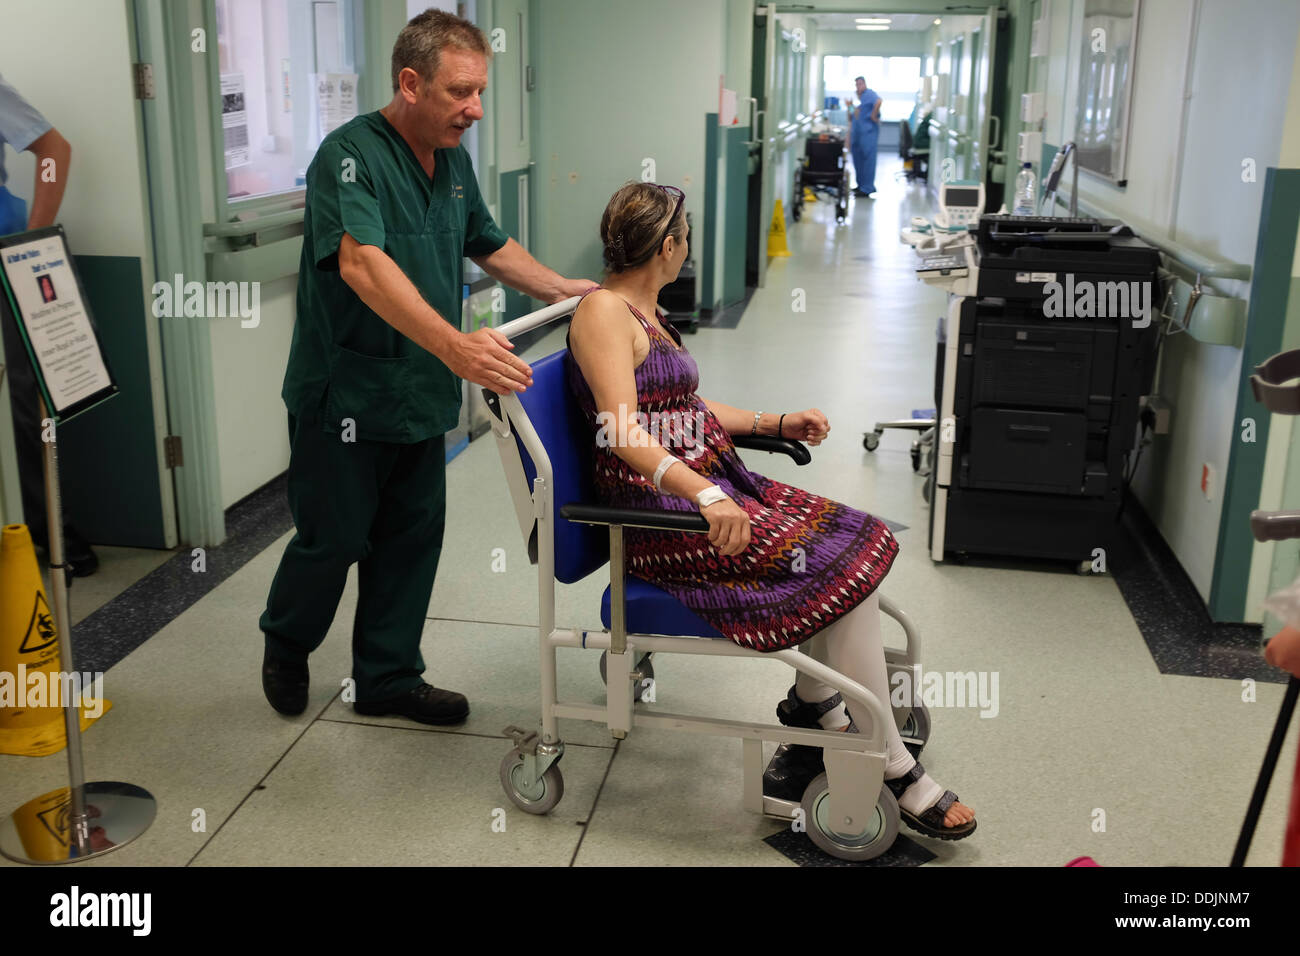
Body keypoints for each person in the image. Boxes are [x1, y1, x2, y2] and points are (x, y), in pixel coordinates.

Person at [563, 182, 976, 839]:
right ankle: (893, 763)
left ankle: (817, 705)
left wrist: (776, 421)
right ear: (668, 247)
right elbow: (623, 431)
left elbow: (685, 409)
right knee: (836, 564)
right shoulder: (604, 313)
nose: (688, 246)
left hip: (714, 488)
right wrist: (704, 493)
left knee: (854, 541)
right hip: (661, 513)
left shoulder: (650, 313)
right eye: (687, 236)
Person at [259, 10, 594, 723]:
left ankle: (386, 677)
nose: (475, 109)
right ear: (410, 83)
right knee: (336, 538)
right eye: (460, 92)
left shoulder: (454, 161)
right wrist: (456, 346)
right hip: (345, 393)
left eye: (480, 91)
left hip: (417, 394)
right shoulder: (349, 157)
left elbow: (489, 242)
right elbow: (360, 263)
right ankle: (287, 640)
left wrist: (563, 288)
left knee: (411, 539)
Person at [0, 71, 98, 578]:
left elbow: (53, 151)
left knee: (26, 401)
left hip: (6, 254)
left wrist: (32, 244)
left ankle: (50, 530)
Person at [847, 76, 880, 197]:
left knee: (868, 161)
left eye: (860, 84)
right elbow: (854, 115)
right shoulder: (861, 102)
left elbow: (878, 101)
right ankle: (860, 186)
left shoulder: (869, 94)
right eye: (856, 85)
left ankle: (867, 188)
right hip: (858, 136)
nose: (858, 87)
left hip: (868, 135)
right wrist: (849, 106)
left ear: (865, 84)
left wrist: (873, 116)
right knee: (858, 162)